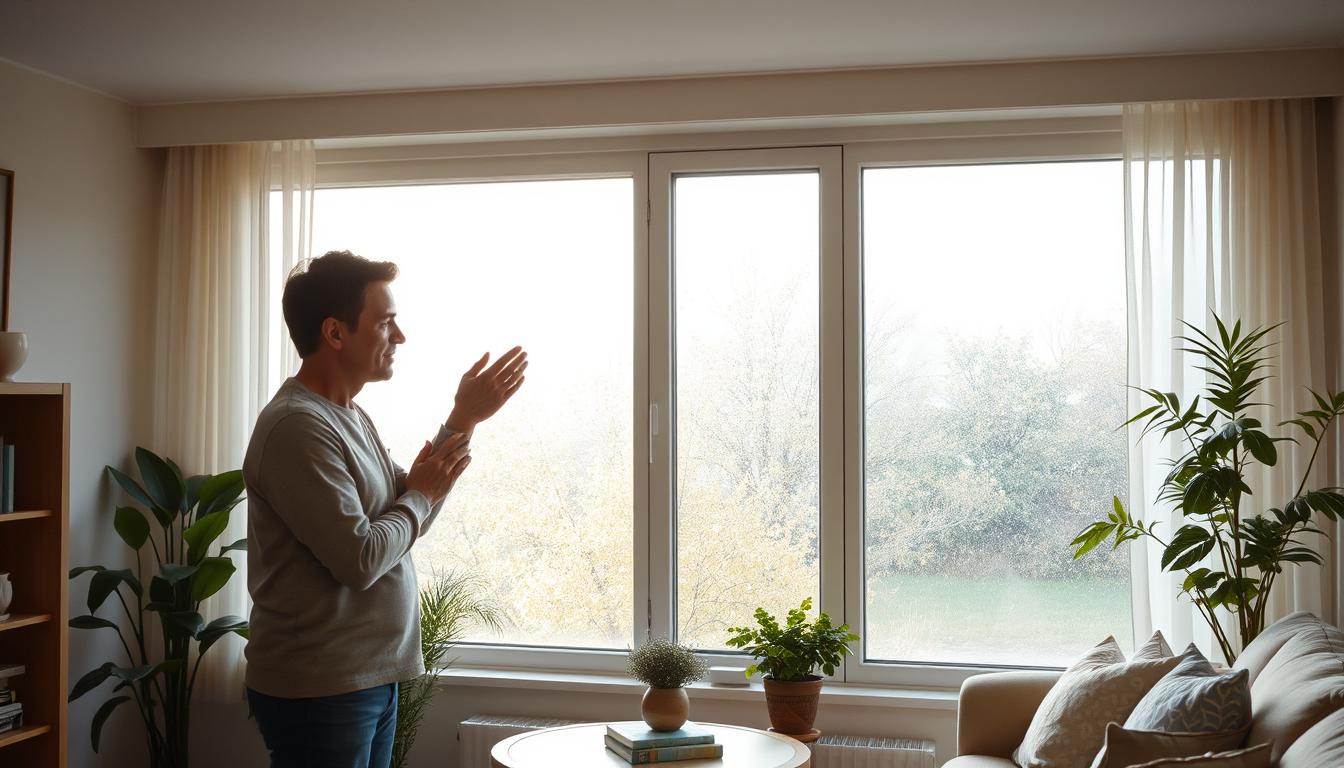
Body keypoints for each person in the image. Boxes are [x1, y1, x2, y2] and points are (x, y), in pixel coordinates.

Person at [242, 250, 526, 767]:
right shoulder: (297, 427)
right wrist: (417, 495)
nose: (399, 337)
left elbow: (413, 511)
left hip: (366, 678)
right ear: (335, 332)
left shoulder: (350, 416)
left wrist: (463, 418)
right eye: (386, 322)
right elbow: (362, 559)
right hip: (321, 688)